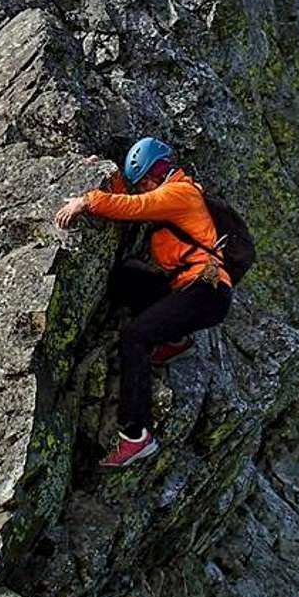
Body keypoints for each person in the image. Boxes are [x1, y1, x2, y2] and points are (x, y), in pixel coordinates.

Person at [55, 137, 232, 469]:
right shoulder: (169, 192)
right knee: (124, 280)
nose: (147, 185)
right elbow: (137, 199)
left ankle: (136, 435)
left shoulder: (180, 193)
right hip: (189, 288)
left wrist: (88, 201)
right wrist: (105, 175)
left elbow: (136, 206)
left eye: (149, 178)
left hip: (206, 291)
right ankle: (176, 340)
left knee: (134, 336)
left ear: (161, 170)